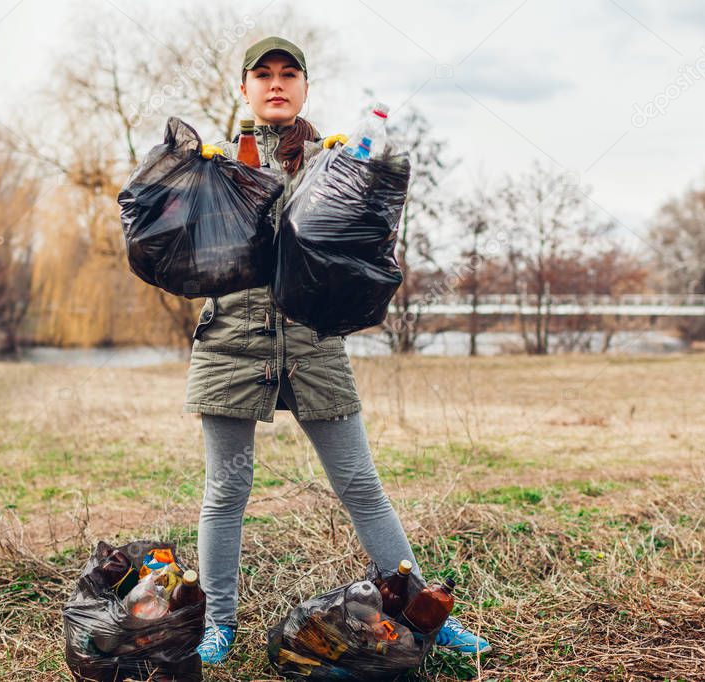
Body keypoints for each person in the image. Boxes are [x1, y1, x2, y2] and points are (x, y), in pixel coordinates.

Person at [185, 36, 491, 666]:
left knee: (360, 485)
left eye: (288, 74)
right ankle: (218, 624)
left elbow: (367, 246)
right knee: (226, 491)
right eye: (262, 75)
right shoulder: (217, 163)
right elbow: (187, 255)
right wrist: (194, 176)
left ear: (304, 87)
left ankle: (422, 616)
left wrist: (364, 181)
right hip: (231, 340)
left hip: (313, 342)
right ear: (243, 88)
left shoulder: (335, 161)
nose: (276, 84)